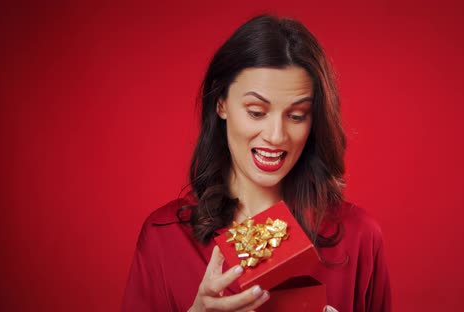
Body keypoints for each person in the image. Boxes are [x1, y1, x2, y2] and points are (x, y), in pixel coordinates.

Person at [121, 14, 391, 312]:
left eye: (297, 115)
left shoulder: (358, 236)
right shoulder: (165, 237)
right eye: (256, 111)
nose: (276, 136)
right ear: (220, 103)